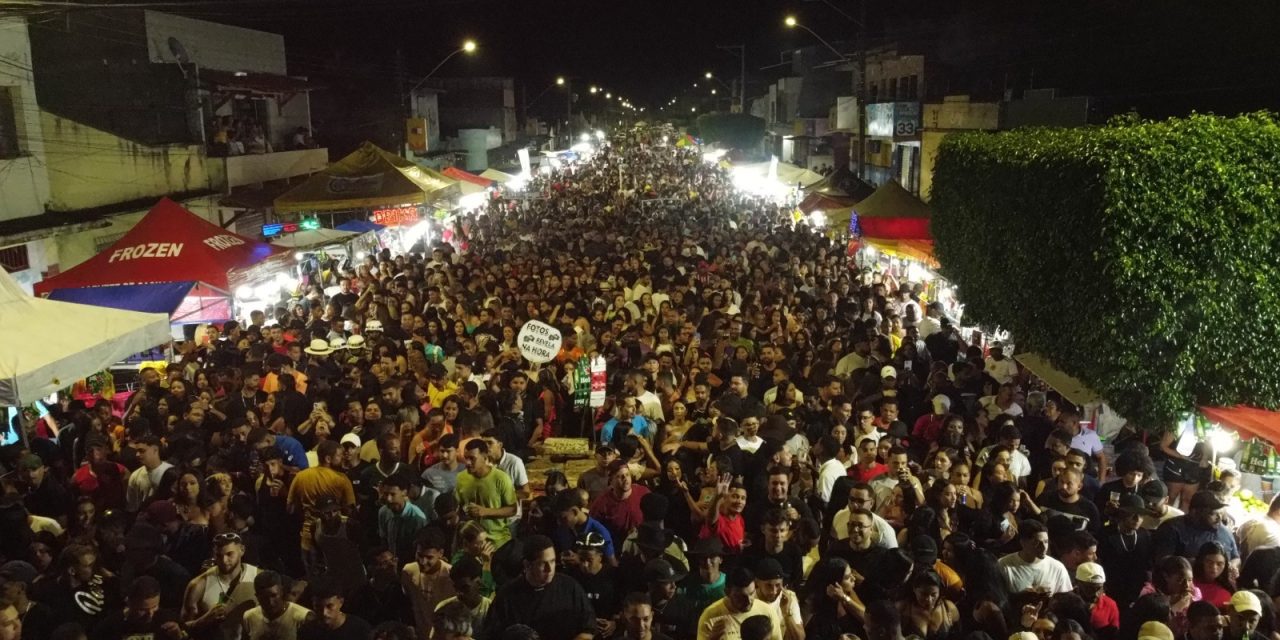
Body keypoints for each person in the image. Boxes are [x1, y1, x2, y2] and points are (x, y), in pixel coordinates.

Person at [483, 535, 596, 640]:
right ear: (527, 565)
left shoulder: (570, 587)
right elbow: (491, 634)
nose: (550, 569)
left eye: (552, 562)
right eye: (543, 564)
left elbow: (587, 627)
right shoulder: (507, 596)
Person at [455, 439, 518, 549]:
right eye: (466, 458)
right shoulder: (461, 478)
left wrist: (486, 511)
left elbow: (513, 509)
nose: (468, 463)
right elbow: (459, 507)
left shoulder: (501, 478)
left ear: (484, 457)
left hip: (497, 541)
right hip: (472, 543)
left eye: (472, 459)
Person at [695, 567, 782, 640]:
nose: (749, 601)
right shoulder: (710, 617)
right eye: (741, 597)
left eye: (751, 593)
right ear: (727, 592)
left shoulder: (766, 611)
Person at [998, 519, 1073, 595]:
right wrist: (1021, 597)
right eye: (1037, 543)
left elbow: (1066, 600)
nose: (1044, 547)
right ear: (1023, 543)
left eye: (1046, 542)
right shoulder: (1003, 565)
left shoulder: (1057, 568)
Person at [242, 570, 312, 640]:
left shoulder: (303, 618)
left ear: (282, 591)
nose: (270, 602)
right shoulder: (249, 617)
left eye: (274, 595)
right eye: (264, 598)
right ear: (257, 597)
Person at [299, 577, 373, 640]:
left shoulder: (361, 630)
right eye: (318, 607)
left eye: (329, 606)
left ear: (341, 602)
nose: (324, 612)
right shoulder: (307, 632)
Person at [1073, 562, 1119, 640]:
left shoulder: (1110, 605)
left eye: (1099, 588)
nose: (1096, 594)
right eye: (1089, 588)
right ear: (1077, 582)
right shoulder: (1066, 603)